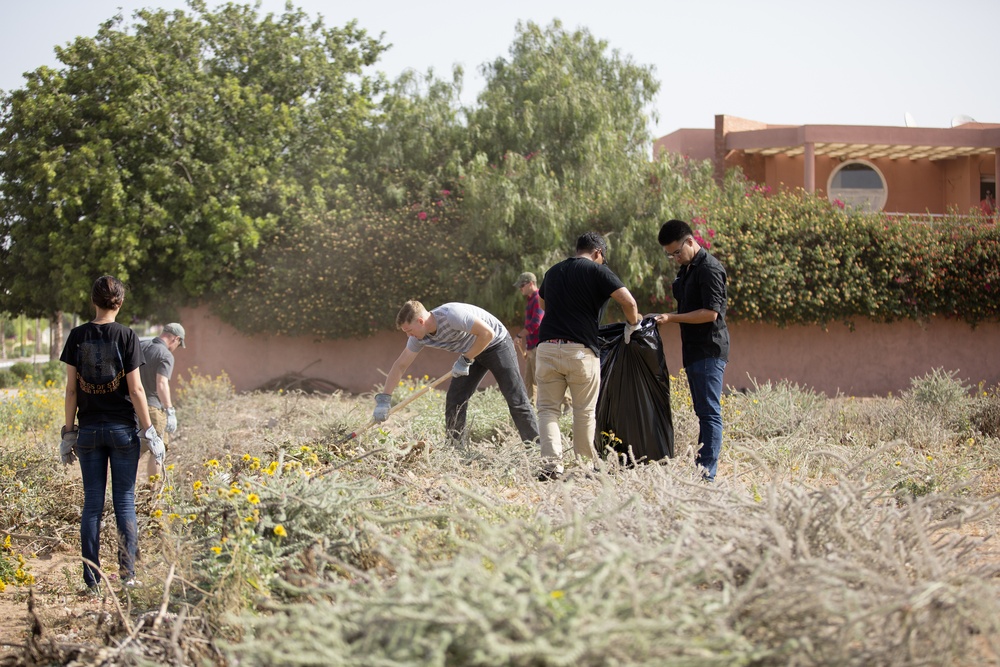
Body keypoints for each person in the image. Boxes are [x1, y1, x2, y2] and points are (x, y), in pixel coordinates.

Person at [59, 275, 164, 593]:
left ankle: (90, 581)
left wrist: (68, 432)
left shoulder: (77, 336)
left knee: (92, 504)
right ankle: (128, 575)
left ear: (93, 300)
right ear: (120, 302)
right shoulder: (127, 336)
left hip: (89, 430)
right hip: (122, 432)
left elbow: (70, 390)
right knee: (125, 502)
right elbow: (136, 389)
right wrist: (150, 431)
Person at [535, 232, 640, 481]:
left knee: (548, 410)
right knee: (583, 410)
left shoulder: (554, 271)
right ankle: (583, 468)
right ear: (598, 253)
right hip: (580, 351)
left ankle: (551, 467)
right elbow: (629, 302)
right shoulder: (597, 271)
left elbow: (541, 303)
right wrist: (633, 325)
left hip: (547, 347)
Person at [373, 300, 539, 446]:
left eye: (409, 330)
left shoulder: (452, 316)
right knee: (455, 398)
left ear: (421, 321)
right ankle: (455, 448)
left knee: (515, 398)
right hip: (472, 351)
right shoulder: (418, 338)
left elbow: (487, 334)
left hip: (496, 343)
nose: (409, 335)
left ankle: (538, 450)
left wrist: (466, 359)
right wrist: (384, 399)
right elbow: (400, 365)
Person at [652, 219, 730, 482]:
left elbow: (710, 314)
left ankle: (706, 475)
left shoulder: (709, 269)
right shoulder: (686, 269)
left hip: (709, 350)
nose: (674, 258)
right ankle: (700, 470)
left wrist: (672, 318)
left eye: (677, 252)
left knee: (709, 412)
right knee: (702, 412)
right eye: (670, 254)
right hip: (694, 351)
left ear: (689, 241)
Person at [138, 323, 185, 481]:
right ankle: (153, 492)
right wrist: (169, 410)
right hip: (151, 408)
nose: (176, 348)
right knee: (157, 450)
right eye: (178, 344)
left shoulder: (141, 346)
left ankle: (123, 490)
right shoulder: (165, 355)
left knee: (133, 451)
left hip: (130, 406)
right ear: (175, 339)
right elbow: (162, 384)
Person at [513, 272, 543, 403]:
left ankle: (567, 403)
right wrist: (526, 347)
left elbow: (536, 323)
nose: (521, 289)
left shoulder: (538, 298)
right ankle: (531, 409)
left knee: (541, 380)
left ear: (531, 284)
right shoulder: (530, 300)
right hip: (531, 347)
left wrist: (519, 335)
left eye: (522, 285)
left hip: (539, 346)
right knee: (529, 381)